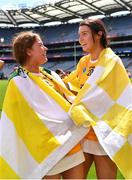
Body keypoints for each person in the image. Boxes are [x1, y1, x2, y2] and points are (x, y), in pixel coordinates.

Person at [0, 31, 88, 179]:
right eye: (40, 45)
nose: (45, 48)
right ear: (28, 51)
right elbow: (27, 121)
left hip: (71, 145)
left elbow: (69, 101)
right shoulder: (18, 81)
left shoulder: (51, 74)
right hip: (46, 151)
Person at [64, 18, 132, 179]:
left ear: (98, 34)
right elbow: (70, 86)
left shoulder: (112, 62)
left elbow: (123, 98)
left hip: (104, 136)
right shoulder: (83, 62)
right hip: (83, 134)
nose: (80, 39)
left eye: (85, 34)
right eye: (79, 35)